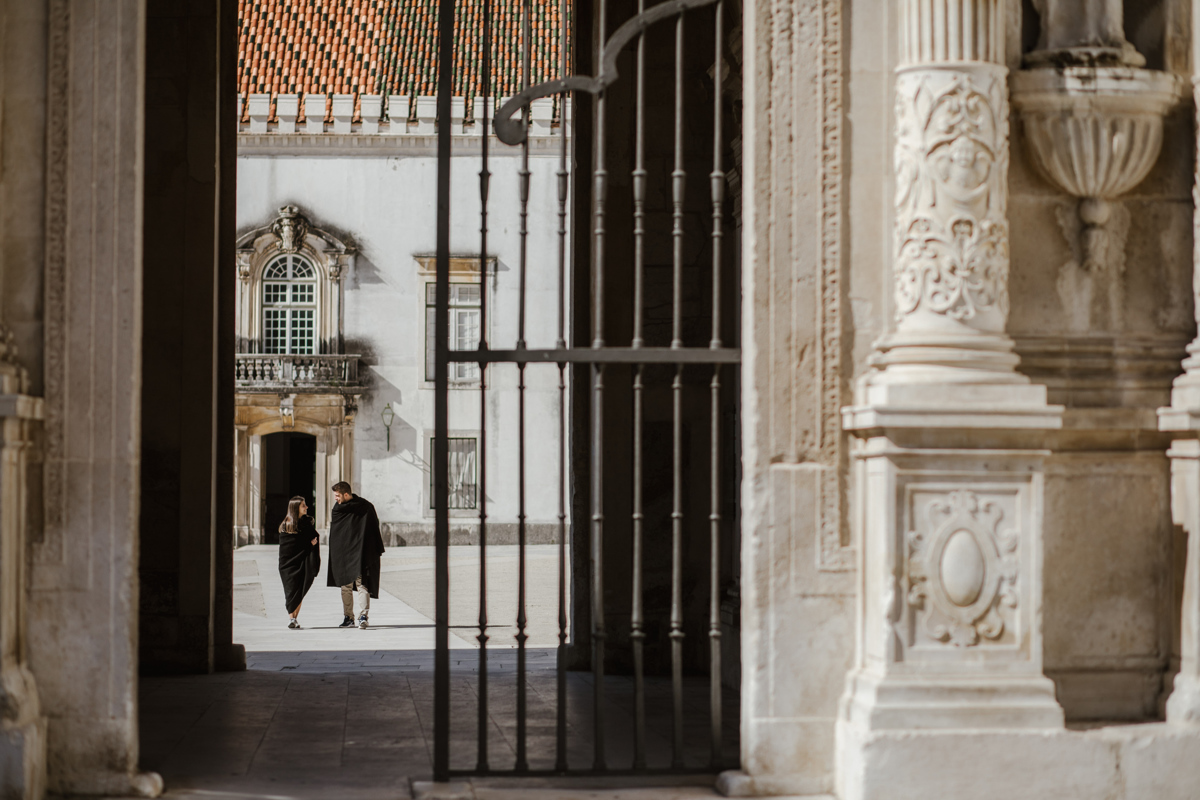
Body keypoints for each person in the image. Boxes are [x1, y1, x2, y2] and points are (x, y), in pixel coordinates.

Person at [327, 481, 384, 629]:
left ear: (346, 494)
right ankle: (348, 617)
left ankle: (363, 616)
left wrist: (371, 550)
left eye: (338, 496)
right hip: (344, 554)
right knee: (345, 586)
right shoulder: (338, 509)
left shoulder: (365, 507)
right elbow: (337, 532)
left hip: (360, 552)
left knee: (361, 584)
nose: (336, 499)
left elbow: (373, 529)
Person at [277, 496, 321, 629]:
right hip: (288, 565)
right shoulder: (286, 525)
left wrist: (310, 545)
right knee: (291, 592)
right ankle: (292, 618)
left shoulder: (307, 523)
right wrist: (309, 545)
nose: (307, 507)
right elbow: (289, 548)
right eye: (303, 505)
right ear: (296, 508)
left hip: (303, 562)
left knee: (300, 590)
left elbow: (313, 537)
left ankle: (294, 619)